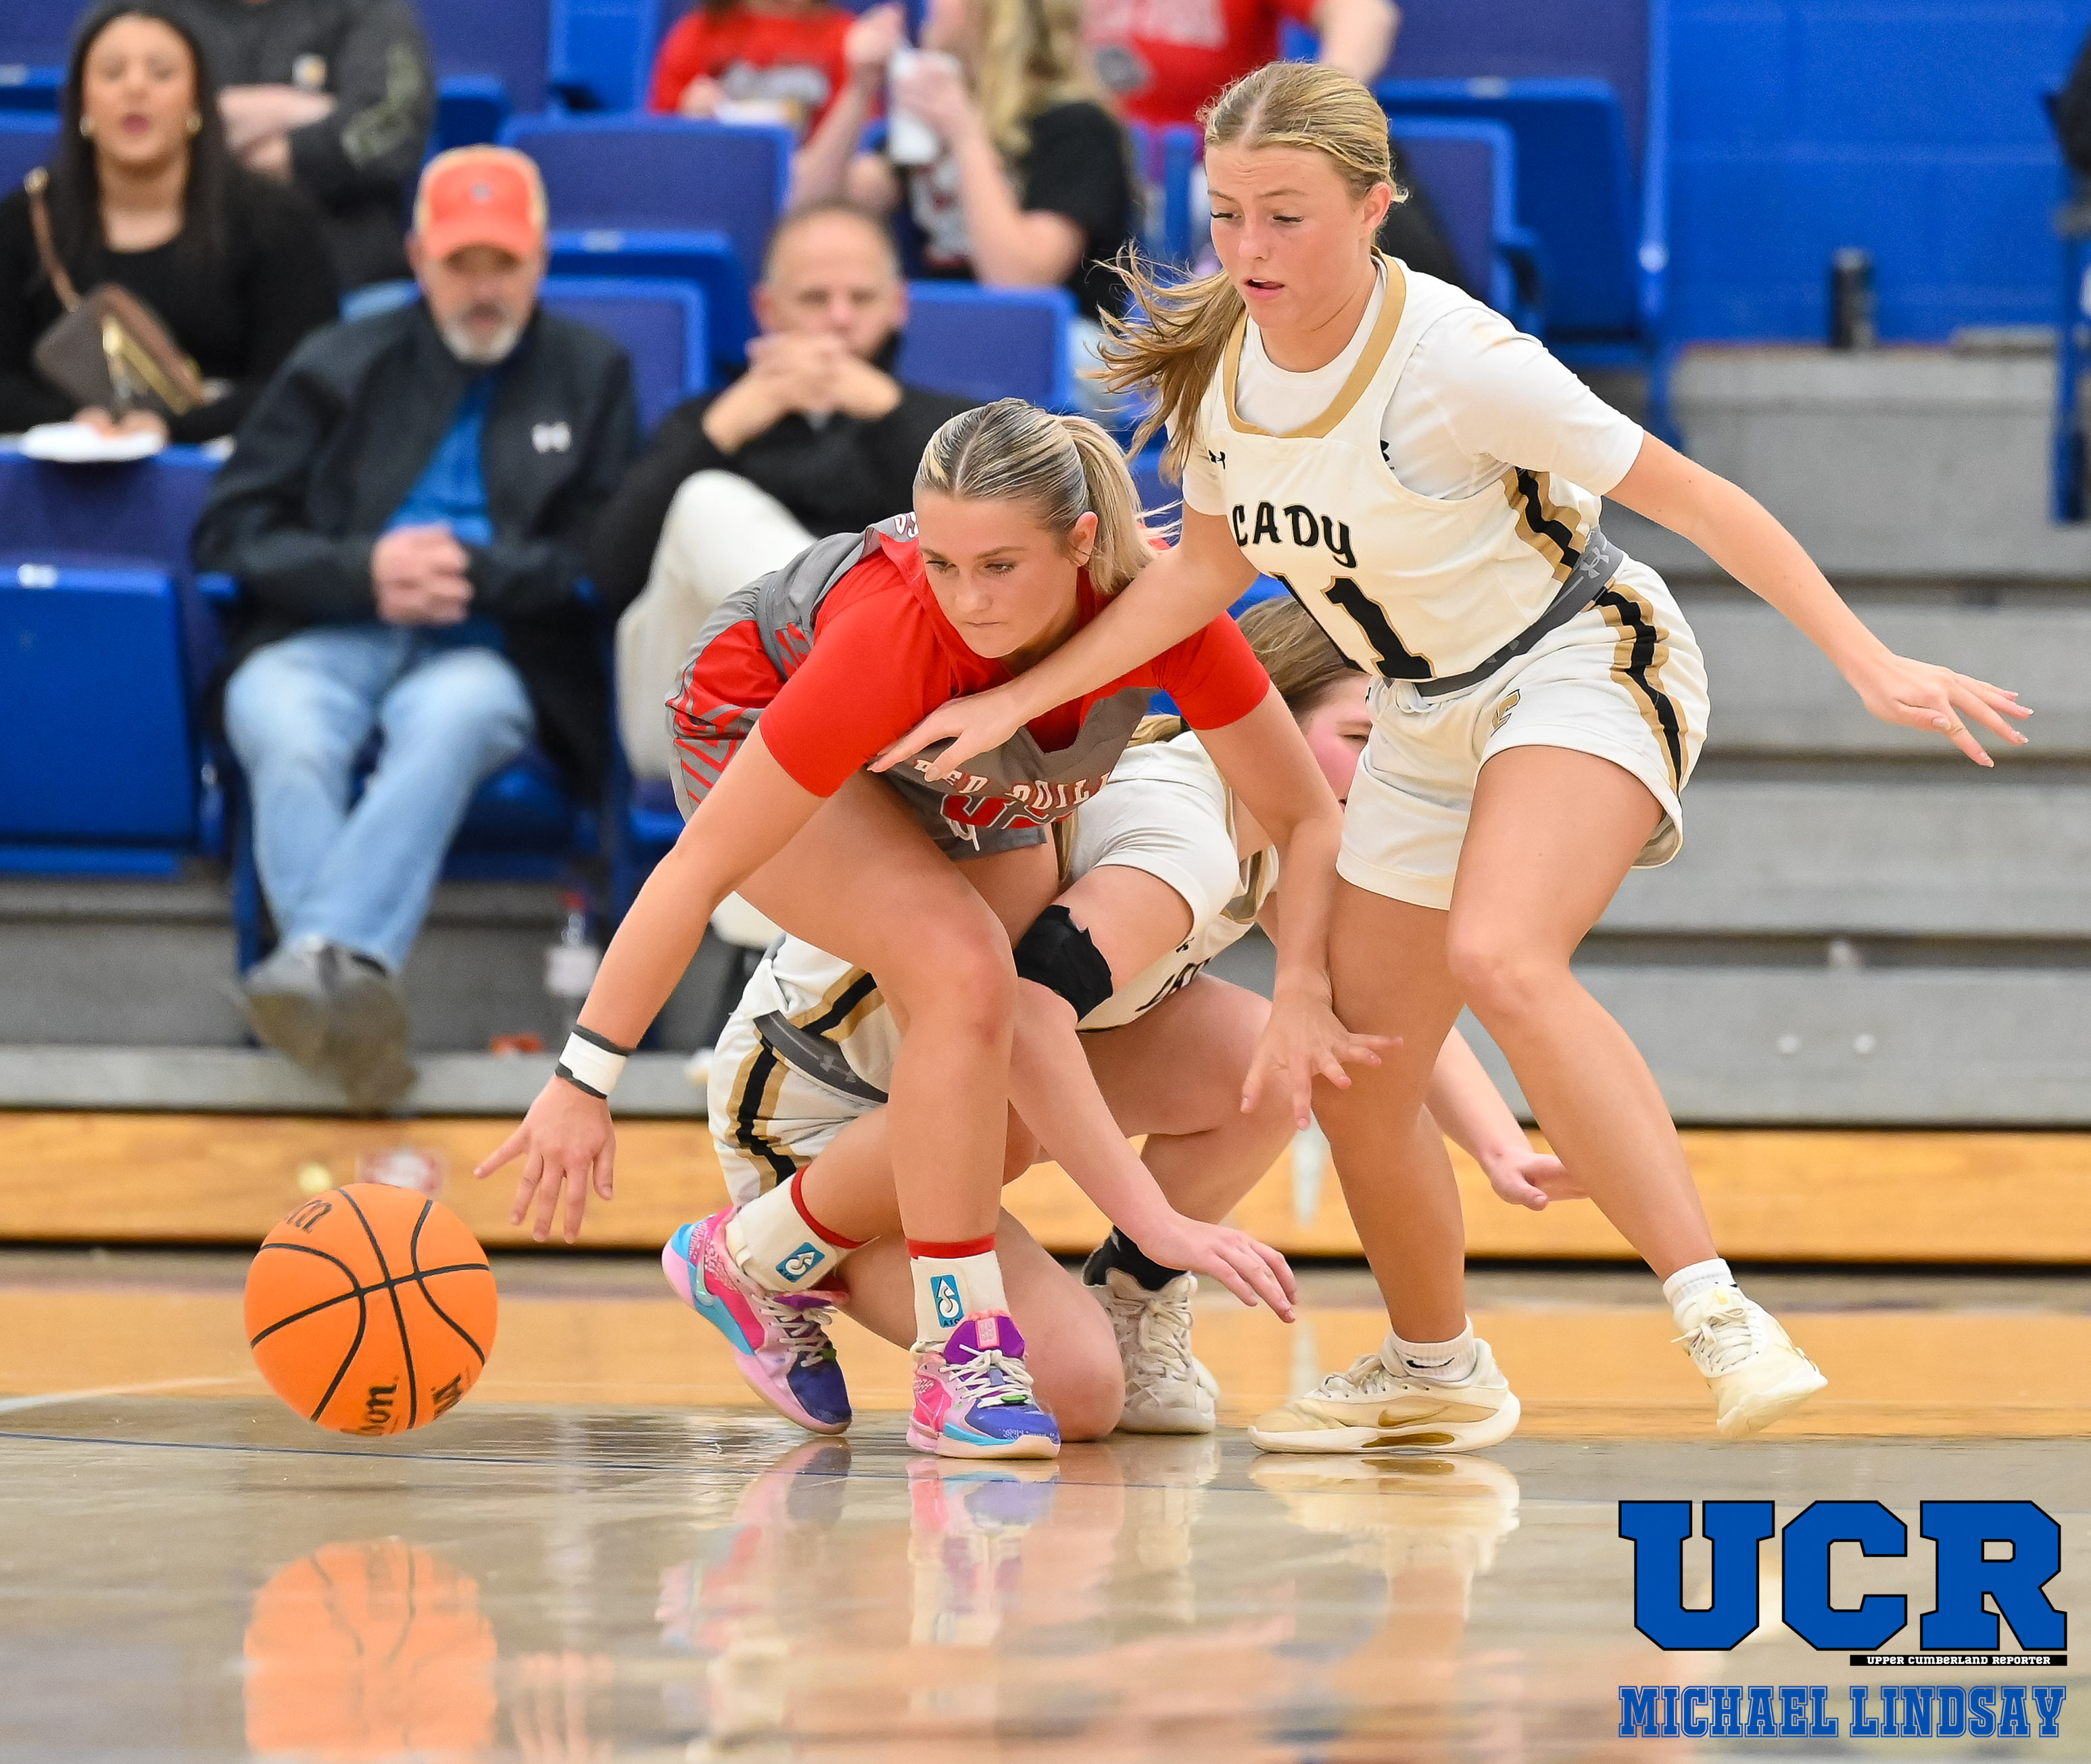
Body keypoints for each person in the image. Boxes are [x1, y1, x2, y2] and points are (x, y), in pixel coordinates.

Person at [875, 64, 2033, 1445]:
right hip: (1420, 706)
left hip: (1576, 653)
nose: (1247, 247)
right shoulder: (1229, 375)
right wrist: (1017, 700)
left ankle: (1716, 1309)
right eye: (1226, 213)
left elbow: (1694, 496)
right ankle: (1436, 1365)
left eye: (1285, 215)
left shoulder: (1459, 361)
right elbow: (1199, 578)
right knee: (1359, 1074)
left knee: (1499, 952)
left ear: (1373, 207)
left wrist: (1865, 657)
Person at [476, 398, 1384, 1460]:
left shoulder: (1157, 619)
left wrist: (1303, 990)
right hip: (754, 734)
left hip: (942, 777)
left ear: (1083, 545)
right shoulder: (901, 634)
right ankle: (953, 1349)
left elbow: (1307, 817)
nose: (967, 598)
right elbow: (697, 867)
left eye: (998, 566)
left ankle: (783, 1260)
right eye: (943, 562)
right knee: (966, 969)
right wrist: (583, 1079)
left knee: (1082, 1374)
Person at [687, 594, 1566, 1441]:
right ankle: (750, 1255)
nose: (1383, 777)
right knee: (1075, 1392)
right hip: (818, 1104)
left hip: (968, 1091)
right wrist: (1156, 1216)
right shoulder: (1180, 834)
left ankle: (1133, 1294)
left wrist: (1499, 1148)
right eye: (1359, 740)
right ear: (1271, 719)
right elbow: (1025, 1016)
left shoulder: (1275, 830)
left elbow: (1372, 1011)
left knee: (1279, 1055)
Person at [195, 147, 639, 1112]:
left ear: (540, 261)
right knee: (281, 722)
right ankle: (346, 981)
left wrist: (476, 572)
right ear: (417, 259)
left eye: (502, 263)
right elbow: (229, 533)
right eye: (459, 263)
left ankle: (314, 966)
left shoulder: (592, 372)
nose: (482, 288)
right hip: (328, 627)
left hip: (492, 644)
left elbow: (602, 555)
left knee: (453, 721)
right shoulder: (336, 360)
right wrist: (364, 570)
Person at [589, 199, 976, 782]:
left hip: (876, 708)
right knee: (705, 500)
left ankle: (839, 682)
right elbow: (608, 574)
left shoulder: (948, 429)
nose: (839, 319)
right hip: (703, 716)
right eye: (815, 299)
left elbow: (992, 540)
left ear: (898, 304)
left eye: (861, 298)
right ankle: (845, 669)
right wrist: (724, 427)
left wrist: (883, 408)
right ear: (767, 309)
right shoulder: (702, 423)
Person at [0, 3, 338, 445]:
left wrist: (173, 431)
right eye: (112, 73)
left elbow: (301, 384)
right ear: (82, 101)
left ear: (198, 100)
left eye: (161, 73)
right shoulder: (24, 221)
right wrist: (77, 421)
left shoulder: (278, 220)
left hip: (232, 465)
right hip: (62, 468)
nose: (135, 88)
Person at [792, 0, 1138, 407]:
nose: (930, 6)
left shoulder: (1079, 127)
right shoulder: (929, 123)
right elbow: (806, 215)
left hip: (1055, 348)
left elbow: (1019, 284)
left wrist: (965, 134)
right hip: (940, 334)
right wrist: (859, 90)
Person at [155, 0, 435, 291]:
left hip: (346, 267)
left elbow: (397, 126)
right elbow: (136, 132)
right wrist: (312, 112)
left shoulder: (369, 8)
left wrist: (213, 134)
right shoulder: (151, 8)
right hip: (191, 261)